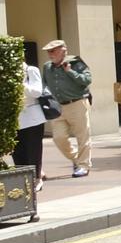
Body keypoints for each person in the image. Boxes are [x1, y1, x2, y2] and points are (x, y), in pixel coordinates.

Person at [41, 40, 92, 178]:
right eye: (48, 52)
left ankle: (83, 166)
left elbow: (87, 80)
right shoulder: (47, 67)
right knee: (59, 138)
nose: (50, 54)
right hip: (57, 106)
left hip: (77, 103)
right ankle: (77, 159)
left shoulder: (75, 63)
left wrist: (70, 71)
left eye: (53, 51)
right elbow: (43, 84)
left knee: (82, 137)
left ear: (63, 50)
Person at [14, 56, 45, 192]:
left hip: (33, 119)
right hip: (16, 119)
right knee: (18, 153)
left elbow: (37, 92)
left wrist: (20, 83)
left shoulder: (31, 70)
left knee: (33, 151)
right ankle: (24, 181)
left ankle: (37, 179)